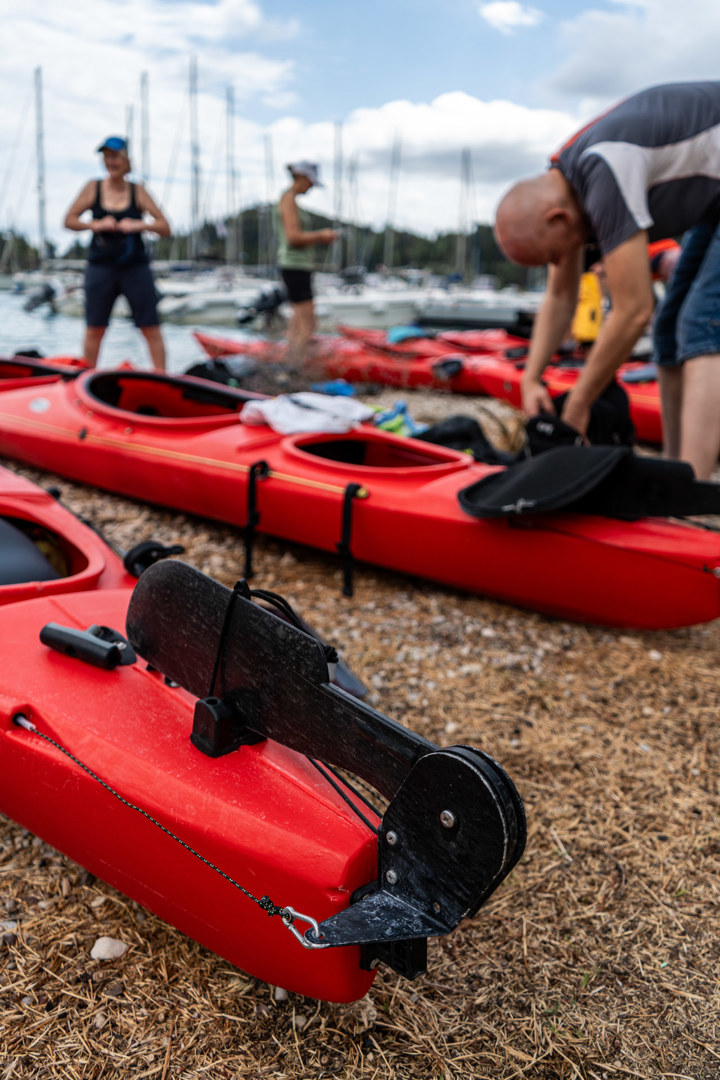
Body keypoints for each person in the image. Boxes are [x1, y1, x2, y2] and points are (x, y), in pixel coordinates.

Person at [494, 82, 720, 480]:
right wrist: (531, 377)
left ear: (556, 220)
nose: (562, 263)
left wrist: (580, 401)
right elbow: (560, 295)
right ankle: (674, 469)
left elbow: (634, 311)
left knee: (702, 324)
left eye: (552, 255)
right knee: (668, 332)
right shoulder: (567, 184)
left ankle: (693, 489)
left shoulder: (603, 171)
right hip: (713, 202)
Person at [64, 136, 171, 370]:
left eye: (115, 156)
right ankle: (86, 379)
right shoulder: (93, 187)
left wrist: (139, 224)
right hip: (101, 267)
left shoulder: (138, 191)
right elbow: (69, 220)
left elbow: (165, 227)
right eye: (106, 157)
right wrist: (96, 224)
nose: (110, 161)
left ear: (126, 160)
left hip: (135, 267)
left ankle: (163, 379)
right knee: (94, 328)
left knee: (150, 327)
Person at [275, 161, 338, 364]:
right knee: (307, 323)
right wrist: (321, 235)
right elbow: (293, 237)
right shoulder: (288, 199)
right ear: (302, 177)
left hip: (297, 266)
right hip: (295, 266)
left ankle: (291, 361)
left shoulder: (290, 199)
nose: (311, 187)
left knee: (297, 321)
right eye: (310, 182)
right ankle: (294, 368)